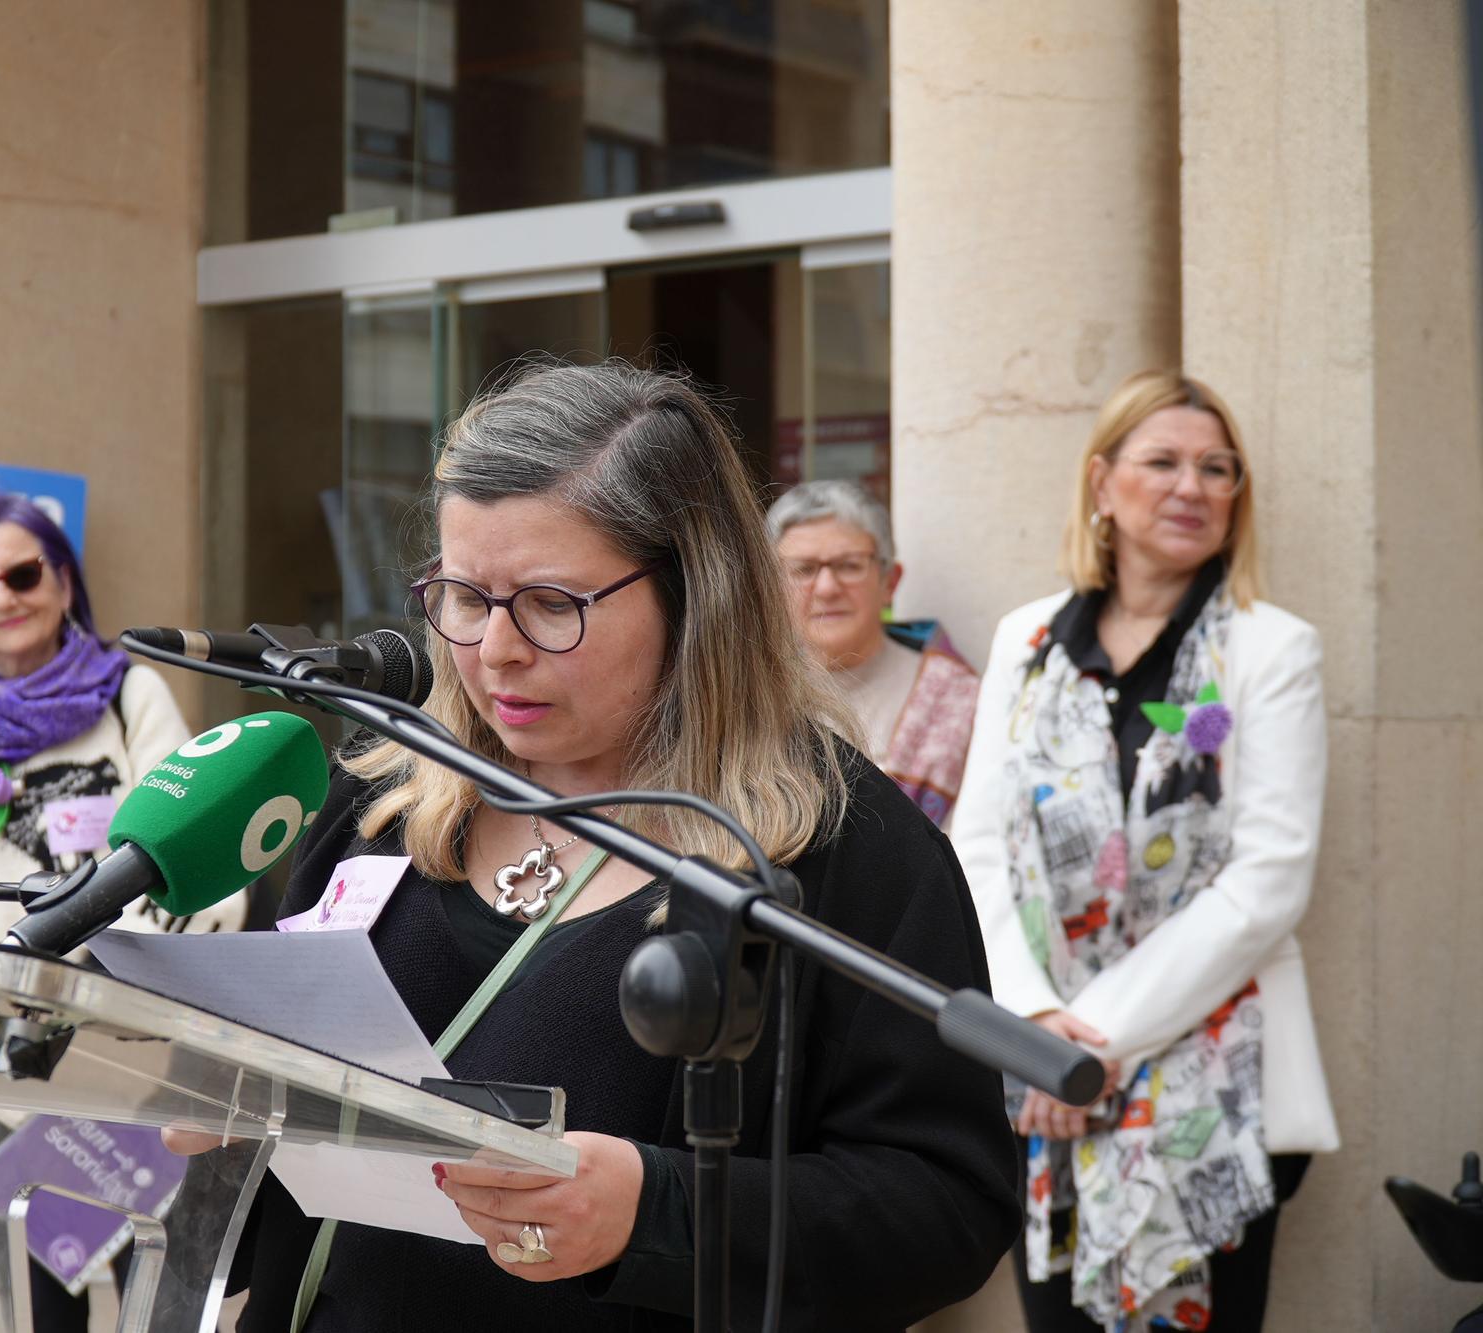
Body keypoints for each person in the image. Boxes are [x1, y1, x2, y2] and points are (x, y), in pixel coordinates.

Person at [177, 361, 1020, 1331]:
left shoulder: (844, 849)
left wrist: (658, 1210)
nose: (495, 649)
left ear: (695, 595)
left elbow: (947, 1205)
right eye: (461, 596)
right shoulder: (381, 796)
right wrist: (213, 1112)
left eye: (549, 602)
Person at [948, 370, 1339, 1332]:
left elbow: (1268, 879)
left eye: (1217, 468)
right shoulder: (1028, 641)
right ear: (1100, 482)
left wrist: (1095, 1044)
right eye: (1162, 461)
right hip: (1040, 1079)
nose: (1191, 486)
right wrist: (1035, 1030)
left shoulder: (1268, 651)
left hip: (1211, 1076)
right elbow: (980, 844)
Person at [0, 494, 242, 1328]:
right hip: (16, 1069)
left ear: (65, 582)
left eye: (24, 573)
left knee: (175, 1301)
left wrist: (106, 985)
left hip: (147, 1049)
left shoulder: (131, 696)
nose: (3, 597)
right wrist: (18, 996)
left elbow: (202, 860)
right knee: (45, 1309)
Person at [767, 479, 980, 827]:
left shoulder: (954, 700)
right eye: (804, 569)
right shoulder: (749, 693)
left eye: (849, 565)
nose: (827, 588)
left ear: (890, 582)